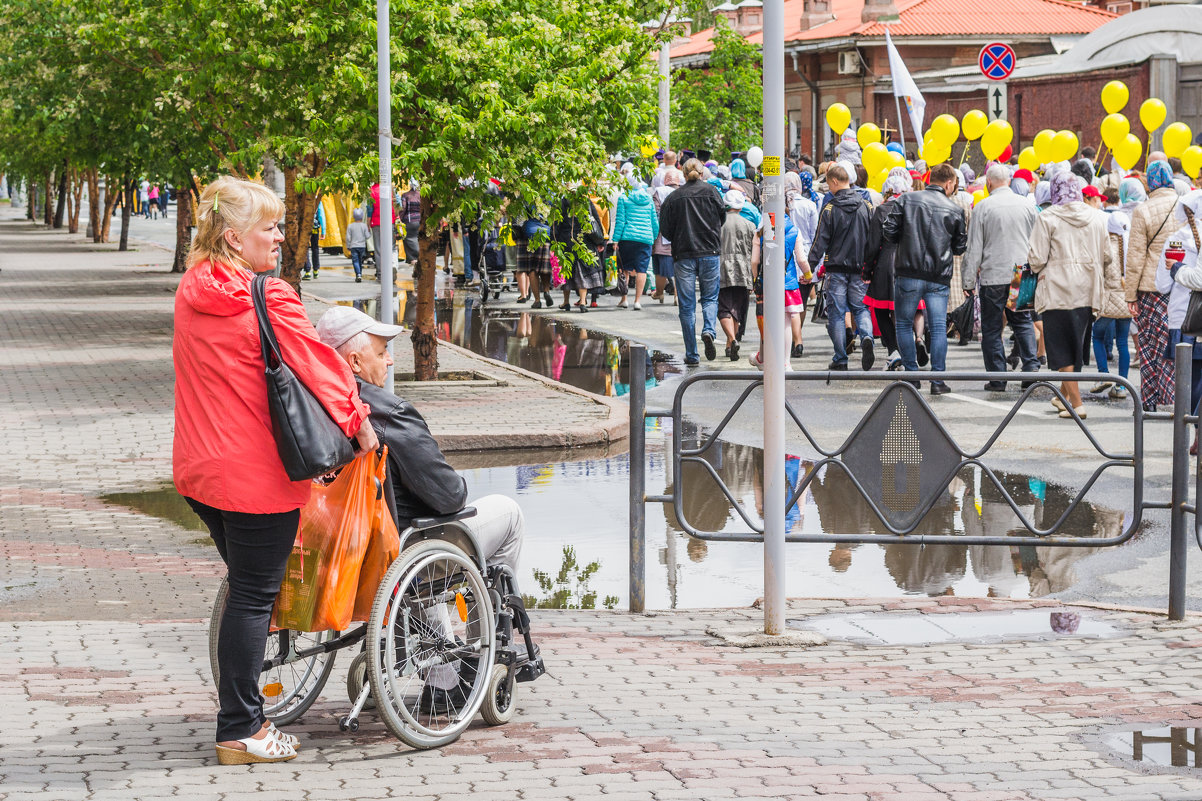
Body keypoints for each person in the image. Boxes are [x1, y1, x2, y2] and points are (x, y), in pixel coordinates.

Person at [174, 177, 377, 764]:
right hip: (255, 476)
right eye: (270, 227)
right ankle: (242, 728)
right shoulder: (269, 295)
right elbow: (317, 364)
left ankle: (244, 718)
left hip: (198, 472)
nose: (281, 237)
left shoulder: (191, 291)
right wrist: (358, 420)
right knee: (252, 598)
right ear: (234, 237)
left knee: (247, 592)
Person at [316, 306, 525, 569]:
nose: (390, 361)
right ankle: (492, 609)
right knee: (509, 512)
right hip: (401, 554)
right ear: (355, 362)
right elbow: (450, 496)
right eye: (381, 353)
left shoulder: (312, 408)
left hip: (338, 555)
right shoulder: (390, 414)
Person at [1027, 170, 1110, 419]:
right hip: (1088, 290)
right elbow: (1108, 256)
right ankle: (1062, 398)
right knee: (1076, 346)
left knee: (1062, 348)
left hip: (1057, 290)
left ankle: (1077, 404)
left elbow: (1036, 258)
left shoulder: (1048, 218)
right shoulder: (1097, 217)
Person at [882, 162, 969, 394]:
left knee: (902, 323)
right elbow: (960, 247)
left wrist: (905, 240)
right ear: (949, 183)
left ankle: (912, 375)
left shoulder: (907, 200)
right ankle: (937, 380)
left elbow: (888, 231)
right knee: (939, 327)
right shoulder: (954, 209)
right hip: (938, 274)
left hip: (908, 271)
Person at [961, 163, 1041, 390]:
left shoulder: (983, 207)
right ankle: (1031, 369)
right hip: (1020, 271)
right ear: (1009, 181)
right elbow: (1035, 241)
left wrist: (968, 280)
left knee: (992, 328)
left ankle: (998, 377)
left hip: (993, 275)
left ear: (988, 182)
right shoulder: (1027, 206)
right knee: (1022, 322)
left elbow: (974, 246)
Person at [659, 158, 725, 364]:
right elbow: (721, 218)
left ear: (683, 174)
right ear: (702, 172)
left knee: (686, 307)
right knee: (710, 298)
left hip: (683, 254)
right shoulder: (712, 192)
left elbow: (665, 229)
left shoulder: (674, 197)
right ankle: (709, 330)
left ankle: (692, 354)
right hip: (709, 251)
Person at [808, 163, 873, 371]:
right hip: (860, 267)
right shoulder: (867, 207)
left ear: (835, 181)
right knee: (860, 308)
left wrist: (809, 269)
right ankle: (867, 336)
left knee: (836, 313)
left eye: (828, 184)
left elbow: (820, 242)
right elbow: (874, 240)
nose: (829, 189)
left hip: (836, 268)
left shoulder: (830, 209)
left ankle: (840, 357)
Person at [1127, 160, 1180, 411]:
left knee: (1149, 346)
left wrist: (1130, 295)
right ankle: (1174, 397)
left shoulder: (1143, 210)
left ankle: (1151, 399)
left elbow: (1136, 255)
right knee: (1175, 342)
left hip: (1150, 288)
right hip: (1180, 286)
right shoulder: (1185, 205)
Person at [1157, 190, 1202, 453]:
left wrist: (1176, 269)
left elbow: (1161, 284)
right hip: (1188, 317)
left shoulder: (1175, 241)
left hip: (1184, 317)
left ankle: (1197, 432)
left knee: (1192, 381)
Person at [862, 168, 913, 371]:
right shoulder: (913, 208)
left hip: (885, 264)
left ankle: (894, 350)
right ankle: (906, 352)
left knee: (882, 311)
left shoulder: (881, 210)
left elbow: (873, 243)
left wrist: (866, 270)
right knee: (904, 312)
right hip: (908, 263)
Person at [1091, 210, 1133, 400]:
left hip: (1108, 300)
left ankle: (1103, 375)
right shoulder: (1131, 246)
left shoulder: (1105, 246)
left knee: (1098, 336)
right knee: (1123, 342)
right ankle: (1122, 386)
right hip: (1126, 301)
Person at [718, 189, 758, 361]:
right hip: (744, 269)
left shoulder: (718, 223)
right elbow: (755, 252)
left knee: (724, 308)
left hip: (722, 268)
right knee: (737, 309)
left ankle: (732, 340)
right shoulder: (749, 225)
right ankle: (730, 344)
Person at [612, 183, 659, 310]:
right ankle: (637, 301)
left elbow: (620, 221)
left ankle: (624, 299)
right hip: (645, 238)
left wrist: (615, 239)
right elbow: (654, 221)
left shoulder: (623, 197)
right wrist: (653, 236)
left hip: (627, 238)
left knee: (625, 269)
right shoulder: (648, 198)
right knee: (642, 270)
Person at [651, 168, 683, 304]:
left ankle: (659, 293)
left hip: (661, 234)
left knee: (661, 266)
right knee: (679, 266)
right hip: (680, 234)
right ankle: (677, 295)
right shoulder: (682, 192)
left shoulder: (659, 192)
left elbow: (655, 213)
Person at [345, 208, 371, 283]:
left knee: (355, 261)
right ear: (362, 216)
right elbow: (367, 236)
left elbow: (348, 237)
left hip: (353, 246)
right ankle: (360, 273)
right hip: (362, 246)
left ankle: (358, 274)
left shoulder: (350, 226)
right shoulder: (364, 226)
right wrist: (370, 233)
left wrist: (348, 246)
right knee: (360, 260)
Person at [400, 179, 422, 265]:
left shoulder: (405, 195)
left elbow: (403, 209)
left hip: (409, 221)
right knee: (418, 240)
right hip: (419, 221)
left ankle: (415, 264)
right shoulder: (421, 195)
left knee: (409, 243)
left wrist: (399, 219)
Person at [303, 203, 325, 280]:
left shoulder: (303, 199)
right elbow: (321, 215)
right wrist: (323, 231)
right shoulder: (317, 200)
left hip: (304, 228)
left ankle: (307, 271)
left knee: (305, 248)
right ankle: (316, 270)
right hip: (315, 228)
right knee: (315, 248)